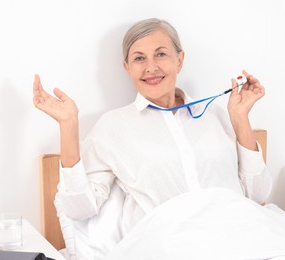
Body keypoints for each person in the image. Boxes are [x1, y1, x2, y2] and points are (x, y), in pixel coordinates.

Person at [33, 18, 272, 234]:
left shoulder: (218, 116)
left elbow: (257, 194)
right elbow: (80, 209)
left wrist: (240, 118)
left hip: (240, 234)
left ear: (180, 60)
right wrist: (68, 125)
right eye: (139, 58)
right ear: (127, 68)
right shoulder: (113, 127)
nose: (151, 67)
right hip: (168, 245)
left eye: (161, 54)